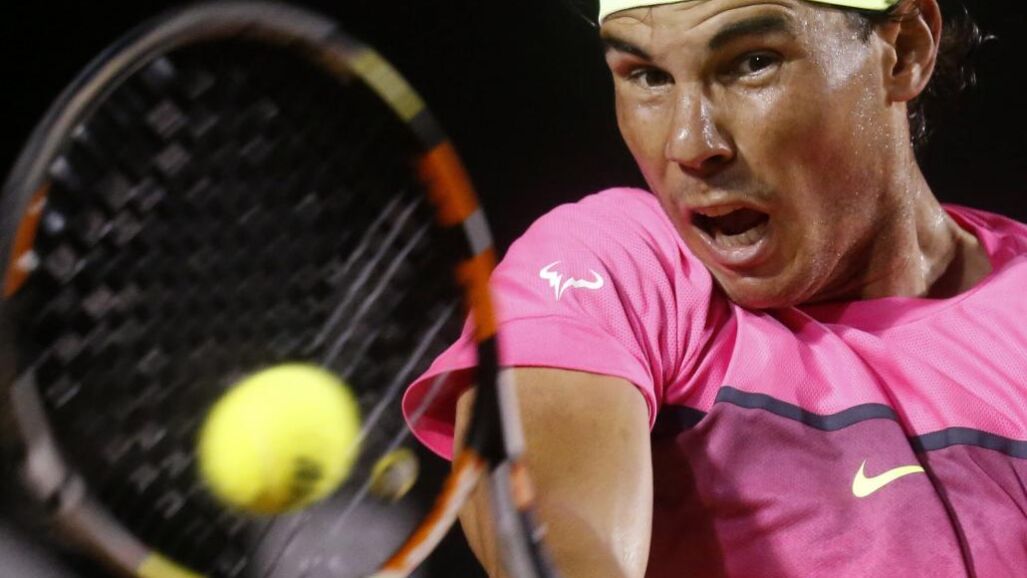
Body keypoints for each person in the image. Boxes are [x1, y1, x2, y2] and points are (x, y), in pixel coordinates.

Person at [402, 0, 1027, 576]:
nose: (690, 144)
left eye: (753, 64)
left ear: (906, 50)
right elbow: (553, 541)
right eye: (648, 76)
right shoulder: (613, 267)